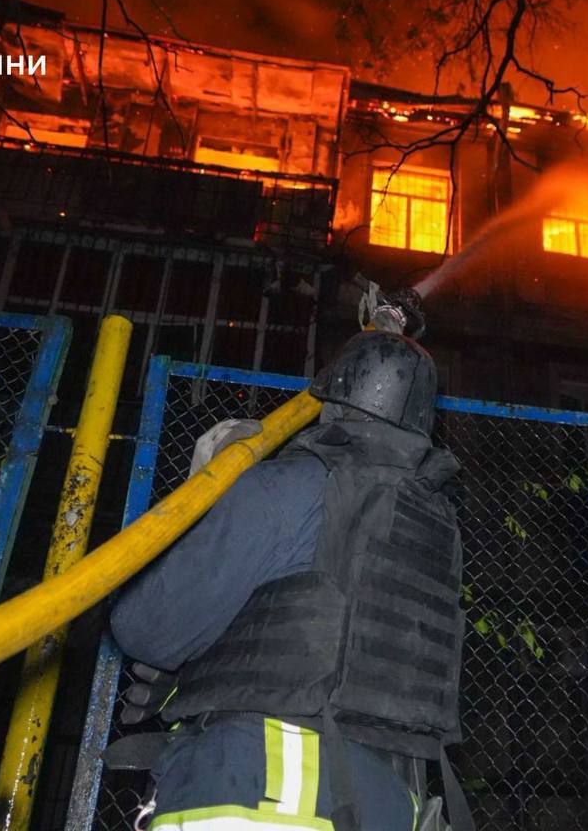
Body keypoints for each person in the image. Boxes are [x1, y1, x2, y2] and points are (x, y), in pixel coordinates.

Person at [109, 331, 472, 831]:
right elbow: (337, 635)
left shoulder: (290, 485)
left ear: (332, 400)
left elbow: (144, 626)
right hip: (392, 800)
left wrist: (211, 492)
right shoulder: (438, 530)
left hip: (263, 788)